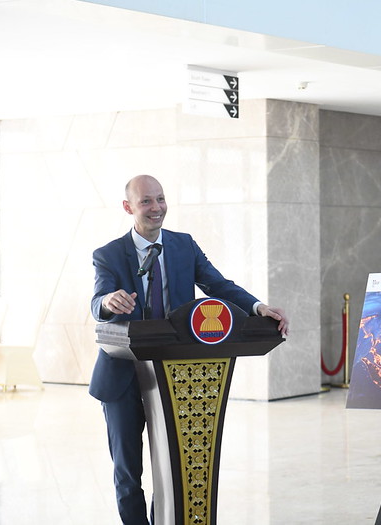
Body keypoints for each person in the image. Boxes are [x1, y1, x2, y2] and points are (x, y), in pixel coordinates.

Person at [89, 175, 289, 525]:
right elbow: (97, 301)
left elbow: (218, 285)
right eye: (147, 201)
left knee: (172, 466)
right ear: (128, 207)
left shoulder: (184, 245)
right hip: (122, 377)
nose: (156, 208)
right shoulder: (108, 255)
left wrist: (258, 308)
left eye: (161, 199)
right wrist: (109, 301)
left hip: (178, 377)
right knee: (128, 470)